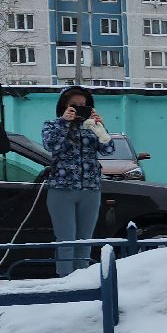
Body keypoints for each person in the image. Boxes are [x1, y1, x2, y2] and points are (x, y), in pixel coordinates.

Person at [39, 85, 110, 278]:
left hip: (90, 188)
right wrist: (64, 123)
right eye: (73, 105)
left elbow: (108, 150)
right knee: (66, 240)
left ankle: (82, 281)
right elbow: (52, 146)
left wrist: (100, 128)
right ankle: (65, 283)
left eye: (83, 105)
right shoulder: (52, 125)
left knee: (84, 240)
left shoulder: (91, 127)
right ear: (63, 106)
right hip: (62, 189)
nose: (78, 109)